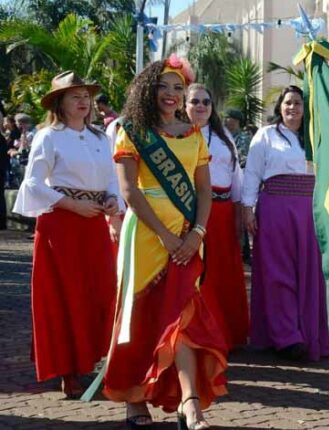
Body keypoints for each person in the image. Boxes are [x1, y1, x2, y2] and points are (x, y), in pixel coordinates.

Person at [104, 55, 227, 430]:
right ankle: (132, 398)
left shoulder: (193, 134)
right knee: (140, 317)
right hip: (147, 236)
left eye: (178, 88)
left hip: (190, 237)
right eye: (164, 87)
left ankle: (190, 402)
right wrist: (166, 235)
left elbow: (203, 189)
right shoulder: (132, 131)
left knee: (184, 316)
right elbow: (129, 191)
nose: (172, 94)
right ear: (149, 90)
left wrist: (196, 233)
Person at [12, 71, 119, 397]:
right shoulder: (48, 136)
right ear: (60, 103)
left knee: (99, 292)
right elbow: (33, 184)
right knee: (65, 296)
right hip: (61, 225)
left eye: (86, 95)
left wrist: (113, 198)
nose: (83, 101)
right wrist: (72, 205)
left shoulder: (101, 137)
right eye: (76, 96)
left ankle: (95, 362)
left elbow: (112, 176)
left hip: (93, 224)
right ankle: (68, 371)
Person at [241, 85, 329, 362]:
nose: (293, 108)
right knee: (279, 272)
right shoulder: (266, 135)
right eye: (288, 103)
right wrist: (248, 208)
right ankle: (286, 336)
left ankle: (309, 332)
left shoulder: (316, 136)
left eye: (299, 103)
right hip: (276, 206)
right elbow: (252, 173)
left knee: (310, 271)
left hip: (310, 209)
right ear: (280, 106)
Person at [186, 83, 248, 351]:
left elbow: (236, 178)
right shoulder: (178, 136)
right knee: (200, 275)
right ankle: (201, 335)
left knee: (223, 272)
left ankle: (226, 333)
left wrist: (240, 215)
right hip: (193, 212)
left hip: (223, 213)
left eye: (206, 102)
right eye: (195, 102)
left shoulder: (224, 137)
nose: (201, 106)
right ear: (184, 105)